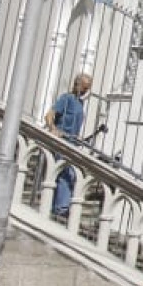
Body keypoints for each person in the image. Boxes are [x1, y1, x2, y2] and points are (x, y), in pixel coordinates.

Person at [47, 72, 93, 218]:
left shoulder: (80, 103)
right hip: (63, 142)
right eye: (84, 87)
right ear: (77, 85)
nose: (86, 91)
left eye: (88, 88)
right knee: (66, 173)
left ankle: (58, 206)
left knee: (69, 174)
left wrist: (78, 137)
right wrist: (53, 129)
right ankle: (61, 208)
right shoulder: (66, 98)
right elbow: (49, 114)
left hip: (73, 143)